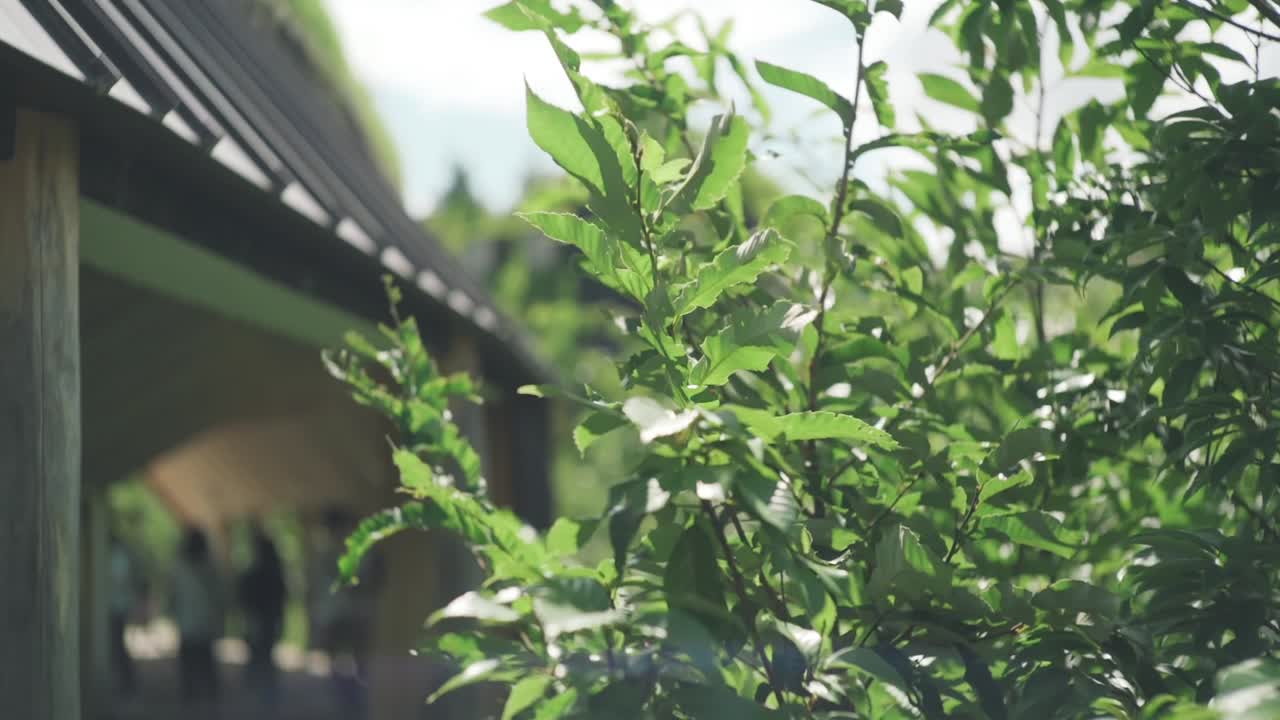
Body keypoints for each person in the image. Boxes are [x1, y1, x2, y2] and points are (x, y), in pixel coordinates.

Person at [172, 528, 223, 707]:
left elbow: (172, 596)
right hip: (205, 622)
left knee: (189, 664)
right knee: (206, 662)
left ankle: (191, 696)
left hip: (188, 622)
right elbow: (219, 596)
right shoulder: (210, 567)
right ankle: (209, 696)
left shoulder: (180, 568)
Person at [239, 525, 287, 708]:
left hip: (256, 621)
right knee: (266, 657)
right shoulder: (276, 573)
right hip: (270, 621)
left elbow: (243, 599)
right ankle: (268, 696)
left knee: (257, 657)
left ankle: (259, 694)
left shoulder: (252, 573)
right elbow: (282, 598)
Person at [108, 533, 139, 699]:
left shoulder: (117, 557)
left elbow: (119, 581)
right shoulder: (120, 556)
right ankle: (126, 681)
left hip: (117, 607)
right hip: (117, 606)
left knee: (118, 646)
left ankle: (127, 681)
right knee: (118, 645)